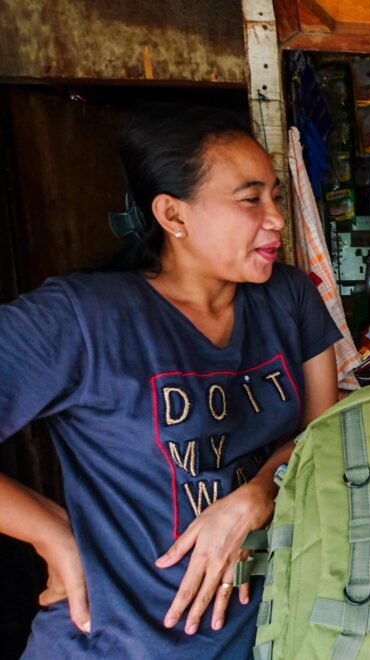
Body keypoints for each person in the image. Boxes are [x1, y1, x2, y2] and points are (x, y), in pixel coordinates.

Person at [0, 105, 341, 657]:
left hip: (265, 637)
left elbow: (329, 434)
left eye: (275, 196)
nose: (276, 218)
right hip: (112, 641)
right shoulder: (84, 318)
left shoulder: (290, 297)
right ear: (173, 215)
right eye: (251, 199)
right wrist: (50, 532)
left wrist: (260, 492)